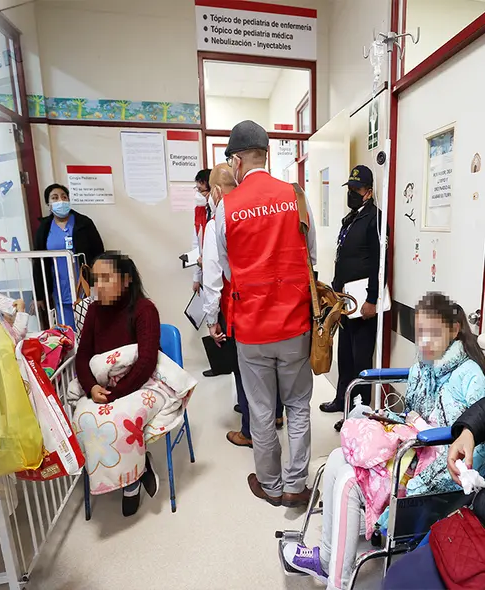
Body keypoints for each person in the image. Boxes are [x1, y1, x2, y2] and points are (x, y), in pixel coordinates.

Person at [283, 292, 485, 589]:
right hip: (413, 453)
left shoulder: (471, 376)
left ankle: (336, 581)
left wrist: (416, 445)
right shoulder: (424, 365)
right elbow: (414, 414)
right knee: (339, 457)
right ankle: (328, 560)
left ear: (454, 330)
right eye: (420, 334)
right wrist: (390, 422)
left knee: (350, 482)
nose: (424, 342)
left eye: (433, 333)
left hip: (438, 475)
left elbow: (476, 447)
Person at [203, 120, 318, 509]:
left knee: (262, 409)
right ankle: (295, 485)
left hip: (251, 329)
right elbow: (311, 259)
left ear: (236, 160)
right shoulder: (296, 195)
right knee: (298, 406)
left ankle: (270, 485)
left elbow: (223, 271)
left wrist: (215, 317)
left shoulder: (226, 208)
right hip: (295, 325)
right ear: (264, 156)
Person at [201, 164, 284, 448]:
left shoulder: (219, 221)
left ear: (214, 191)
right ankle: (277, 415)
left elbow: (214, 275)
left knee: (245, 370)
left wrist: (212, 319)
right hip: (275, 306)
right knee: (275, 364)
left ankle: (249, 430)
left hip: (236, 307)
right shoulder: (259, 212)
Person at [75, 251, 161, 516]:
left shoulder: (145, 309)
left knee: (121, 420)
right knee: (84, 418)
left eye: (105, 278)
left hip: (141, 383)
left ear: (125, 280)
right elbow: (83, 356)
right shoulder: (93, 311)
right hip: (104, 387)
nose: (97, 286)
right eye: (95, 279)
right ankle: (136, 468)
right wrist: (91, 387)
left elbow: (146, 361)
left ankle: (132, 481)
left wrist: (116, 394)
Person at [321, 165, 384, 427]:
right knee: (344, 355)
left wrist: (372, 299)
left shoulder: (375, 219)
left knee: (361, 360)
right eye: (350, 189)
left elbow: (380, 263)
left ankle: (358, 415)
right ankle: (341, 400)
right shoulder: (351, 218)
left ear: (368, 192)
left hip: (363, 304)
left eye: (357, 190)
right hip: (345, 301)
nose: (353, 194)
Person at [32, 183, 105, 329]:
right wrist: (40, 295)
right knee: (67, 331)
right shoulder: (44, 229)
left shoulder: (83, 223)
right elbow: (38, 263)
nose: (60, 200)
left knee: (90, 328)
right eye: (55, 197)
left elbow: (99, 254)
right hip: (59, 288)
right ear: (48, 203)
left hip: (85, 286)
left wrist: (101, 283)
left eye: (64, 197)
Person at [191, 168, 211, 296]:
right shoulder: (199, 211)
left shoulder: (221, 212)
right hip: (204, 269)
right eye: (196, 189)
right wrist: (196, 278)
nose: (197, 194)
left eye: (201, 190)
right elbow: (196, 244)